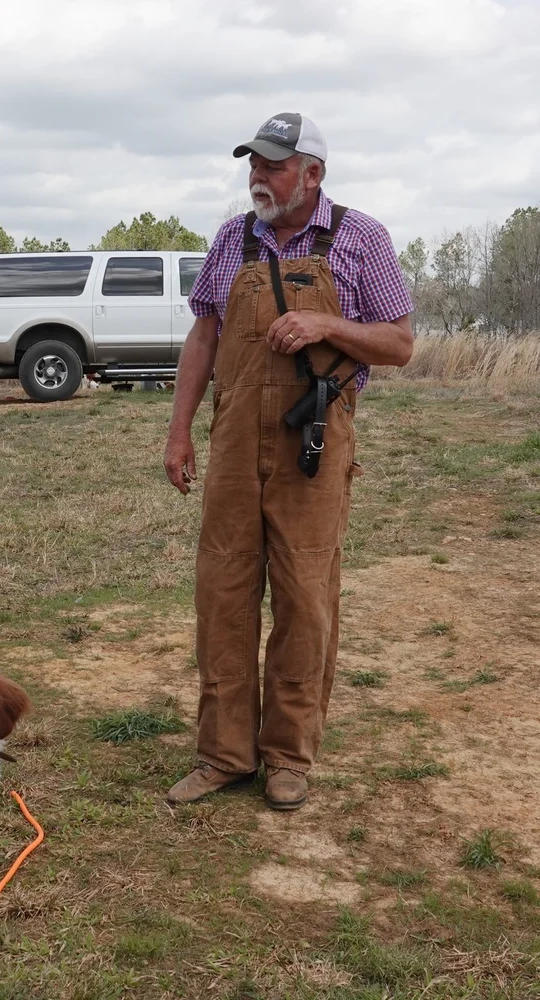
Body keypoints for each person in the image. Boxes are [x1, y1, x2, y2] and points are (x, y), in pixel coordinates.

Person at [163, 114, 413, 812]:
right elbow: (204, 337)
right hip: (235, 447)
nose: (258, 177)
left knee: (305, 601)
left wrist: (328, 324)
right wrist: (179, 432)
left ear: (313, 175)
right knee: (224, 596)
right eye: (254, 164)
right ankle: (223, 755)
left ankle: (288, 757)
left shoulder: (361, 239)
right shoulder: (231, 238)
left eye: (273, 165)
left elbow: (398, 343)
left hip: (315, 447)